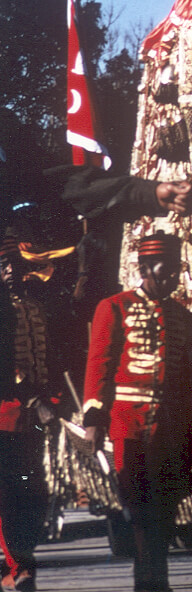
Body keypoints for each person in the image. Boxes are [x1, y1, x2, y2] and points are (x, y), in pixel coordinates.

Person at [83, 231, 192, 592]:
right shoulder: (113, 306)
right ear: (145, 269)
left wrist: (190, 430)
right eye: (166, 269)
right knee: (139, 505)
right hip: (127, 423)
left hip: (170, 426)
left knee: (166, 507)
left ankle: (155, 580)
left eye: (177, 268)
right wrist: (94, 419)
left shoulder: (181, 315)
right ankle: (147, 581)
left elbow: (185, 378)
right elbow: (99, 365)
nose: (174, 275)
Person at [0, 233, 59, 592]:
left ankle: (21, 563)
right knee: (7, 493)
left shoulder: (36, 306)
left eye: (13, 264)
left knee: (33, 492)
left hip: (35, 418)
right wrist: (34, 399)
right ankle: (20, 567)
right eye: (2, 265)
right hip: (5, 415)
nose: (9, 270)